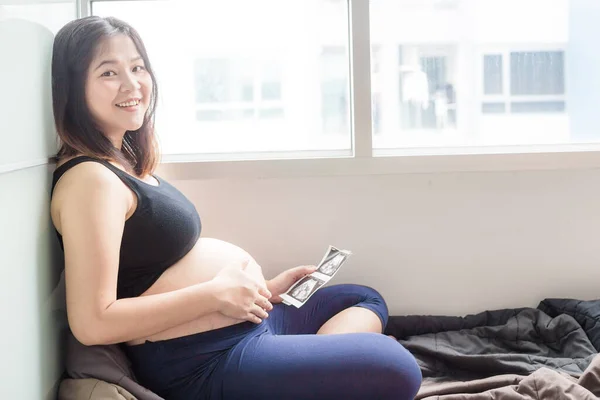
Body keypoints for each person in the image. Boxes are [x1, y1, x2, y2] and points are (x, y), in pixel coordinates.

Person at [49, 16, 422, 400]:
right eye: (109, 72)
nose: (132, 84)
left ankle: (312, 371)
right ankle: (316, 372)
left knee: (363, 298)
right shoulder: (89, 181)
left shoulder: (120, 163)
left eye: (137, 67)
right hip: (204, 359)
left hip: (242, 323)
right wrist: (215, 295)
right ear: (74, 89)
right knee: (399, 368)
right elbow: (93, 322)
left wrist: (261, 291)